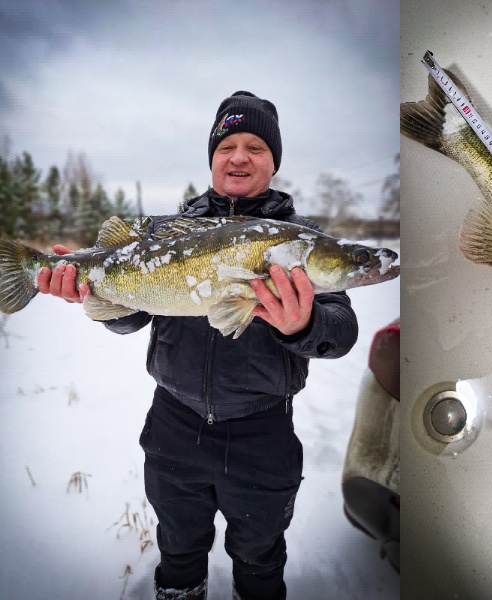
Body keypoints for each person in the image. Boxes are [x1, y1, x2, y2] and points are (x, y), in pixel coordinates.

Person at [37, 91, 359, 600]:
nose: (239, 156)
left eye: (255, 146)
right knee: (178, 549)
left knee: (259, 556)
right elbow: (133, 318)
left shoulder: (301, 239)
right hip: (173, 425)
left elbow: (340, 329)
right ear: (212, 158)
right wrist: (98, 301)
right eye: (227, 144)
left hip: (264, 432)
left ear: (273, 161)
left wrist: (304, 325)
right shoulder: (165, 236)